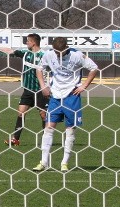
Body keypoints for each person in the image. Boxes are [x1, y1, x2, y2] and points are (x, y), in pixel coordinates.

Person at [33, 36, 99, 172]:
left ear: (66, 49)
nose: (58, 55)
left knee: (70, 130)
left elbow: (94, 68)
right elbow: (39, 69)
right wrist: (43, 86)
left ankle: (64, 162)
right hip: (55, 96)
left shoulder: (77, 55)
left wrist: (84, 85)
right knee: (48, 128)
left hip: (71, 96)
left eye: (61, 53)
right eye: (56, 52)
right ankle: (44, 162)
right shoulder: (49, 55)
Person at [0, 33, 48, 146]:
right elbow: (9, 50)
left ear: (33, 42)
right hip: (28, 90)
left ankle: (46, 138)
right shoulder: (25, 54)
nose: (26, 43)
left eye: (28, 41)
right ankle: (15, 139)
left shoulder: (45, 55)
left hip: (40, 91)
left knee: (44, 115)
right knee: (21, 113)